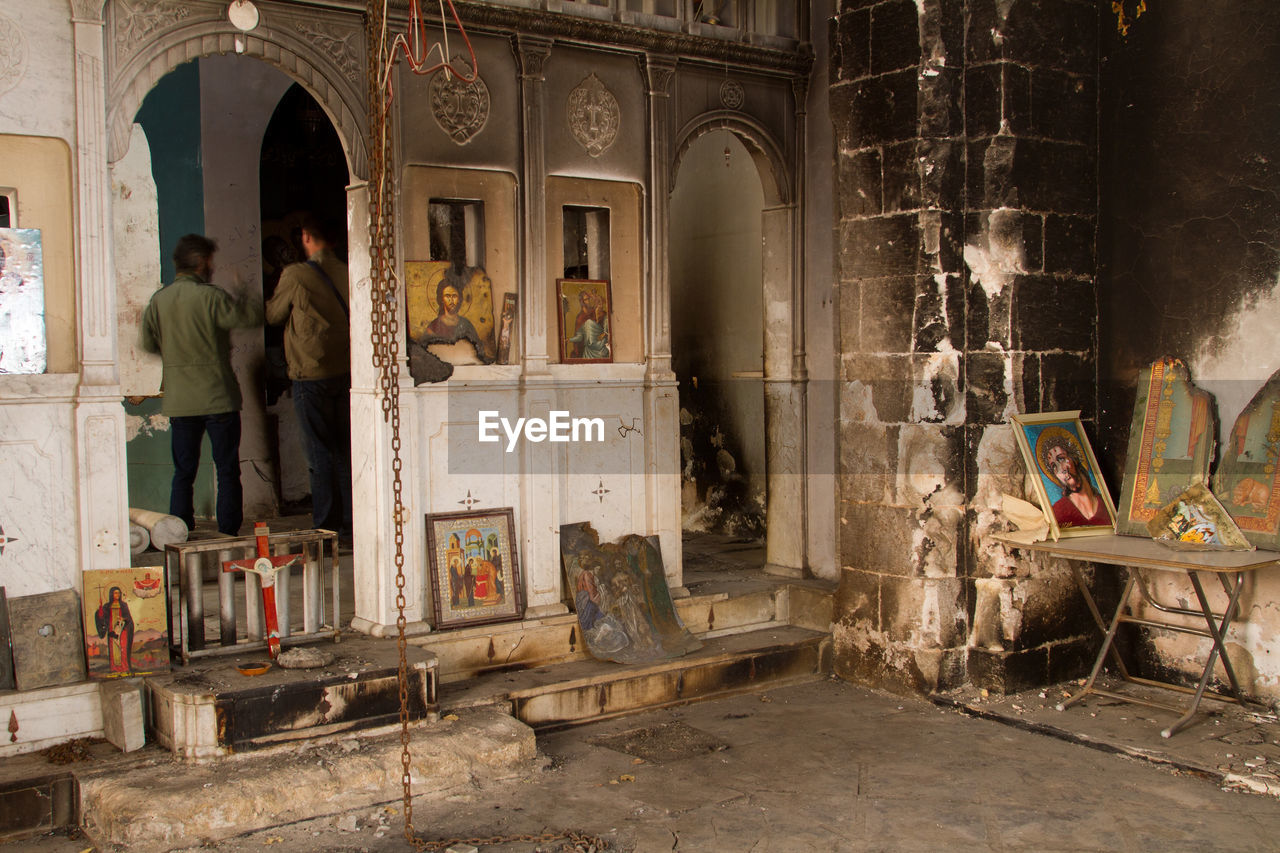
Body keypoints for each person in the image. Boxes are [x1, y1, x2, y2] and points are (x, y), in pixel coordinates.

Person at [140, 234, 263, 536]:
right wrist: (244, 291)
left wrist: (176, 356)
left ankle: (178, 530)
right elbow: (249, 318)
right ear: (201, 262)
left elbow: (148, 343)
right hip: (218, 397)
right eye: (210, 261)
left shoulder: (159, 301)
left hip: (181, 400)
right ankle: (228, 531)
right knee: (226, 468)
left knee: (183, 471)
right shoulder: (212, 296)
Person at [266, 215, 353, 543]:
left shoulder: (296, 275)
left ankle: (326, 526)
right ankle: (349, 524)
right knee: (344, 451)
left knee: (319, 453)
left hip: (310, 374)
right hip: (346, 373)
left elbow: (273, 314)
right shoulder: (349, 270)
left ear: (306, 238)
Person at [1039, 433, 1109, 528]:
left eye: (1061, 459)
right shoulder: (1058, 512)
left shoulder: (1107, 504)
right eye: (1054, 466)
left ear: (1075, 459)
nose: (1061, 470)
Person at [425, 277, 479, 343]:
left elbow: (476, 346)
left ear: (459, 299)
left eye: (454, 296)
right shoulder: (433, 327)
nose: (451, 300)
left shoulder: (466, 325)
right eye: (447, 296)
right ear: (441, 299)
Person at [94, 587, 134, 673]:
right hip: (112, 630)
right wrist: (100, 612)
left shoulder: (124, 605)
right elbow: (103, 618)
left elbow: (129, 619)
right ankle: (115, 668)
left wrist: (124, 619)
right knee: (113, 649)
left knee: (122, 648)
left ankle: (124, 668)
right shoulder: (107, 606)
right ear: (111, 594)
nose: (117, 595)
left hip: (122, 630)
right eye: (115, 593)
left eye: (119, 593)